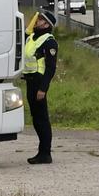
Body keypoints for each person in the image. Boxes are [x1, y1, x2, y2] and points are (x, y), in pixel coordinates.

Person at [22, 10, 58, 164]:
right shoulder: (31, 38)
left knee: (42, 119)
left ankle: (45, 153)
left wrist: (43, 89)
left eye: (40, 19)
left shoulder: (49, 41)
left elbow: (50, 68)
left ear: (46, 24)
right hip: (30, 80)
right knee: (36, 119)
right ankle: (42, 151)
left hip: (39, 81)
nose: (36, 21)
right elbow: (23, 39)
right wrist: (29, 26)